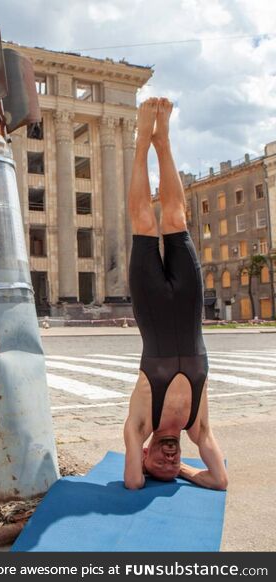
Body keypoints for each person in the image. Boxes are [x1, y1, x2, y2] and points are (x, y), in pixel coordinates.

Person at [123, 97, 228, 491]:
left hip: (151, 306)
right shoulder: (197, 427)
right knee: (176, 220)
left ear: (146, 456)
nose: (170, 458)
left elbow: (133, 484)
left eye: (160, 463)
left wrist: (145, 464)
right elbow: (220, 480)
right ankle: (163, 142)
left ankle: (141, 144)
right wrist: (185, 473)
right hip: (187, 306)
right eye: (175, 462)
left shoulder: (140, 424)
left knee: (144, 221)